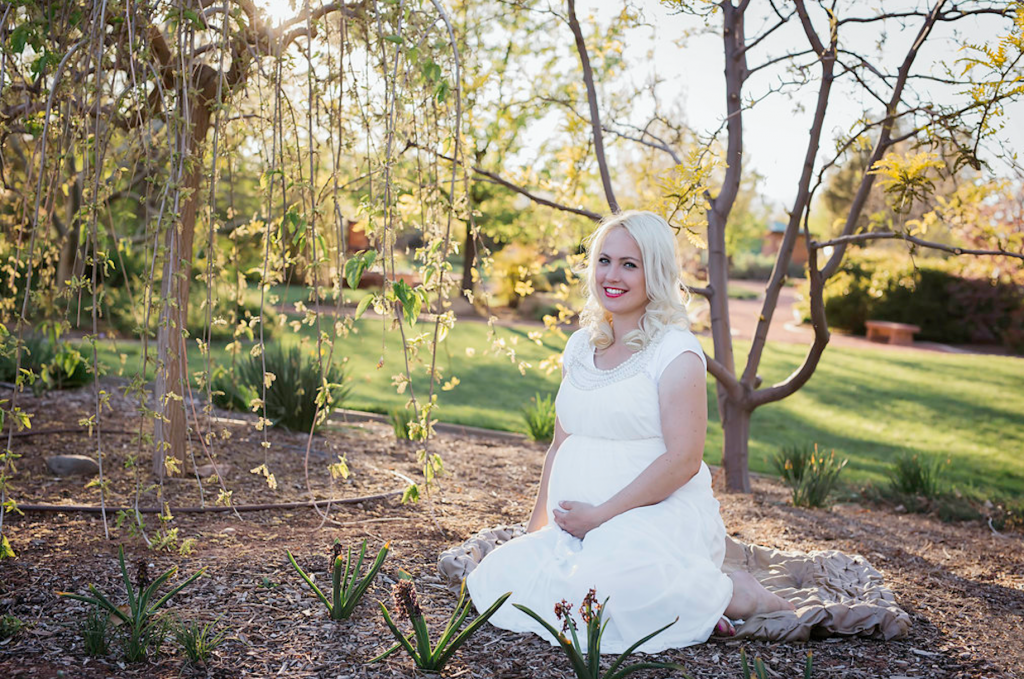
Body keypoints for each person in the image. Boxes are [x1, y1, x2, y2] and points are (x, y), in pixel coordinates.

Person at [466, 210, 793, 653]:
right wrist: (534, 533)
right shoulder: (580, 346)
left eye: (629, 264)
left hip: (654, 521)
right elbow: (561, 445)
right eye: (604, 260)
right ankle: (679, 602)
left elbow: (683, 461)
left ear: (654, 272)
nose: (612, 275)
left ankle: (735, 592)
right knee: (499, 576)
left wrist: (599, 517)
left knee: (604, 592)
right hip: (579, 527)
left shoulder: (676, 351)